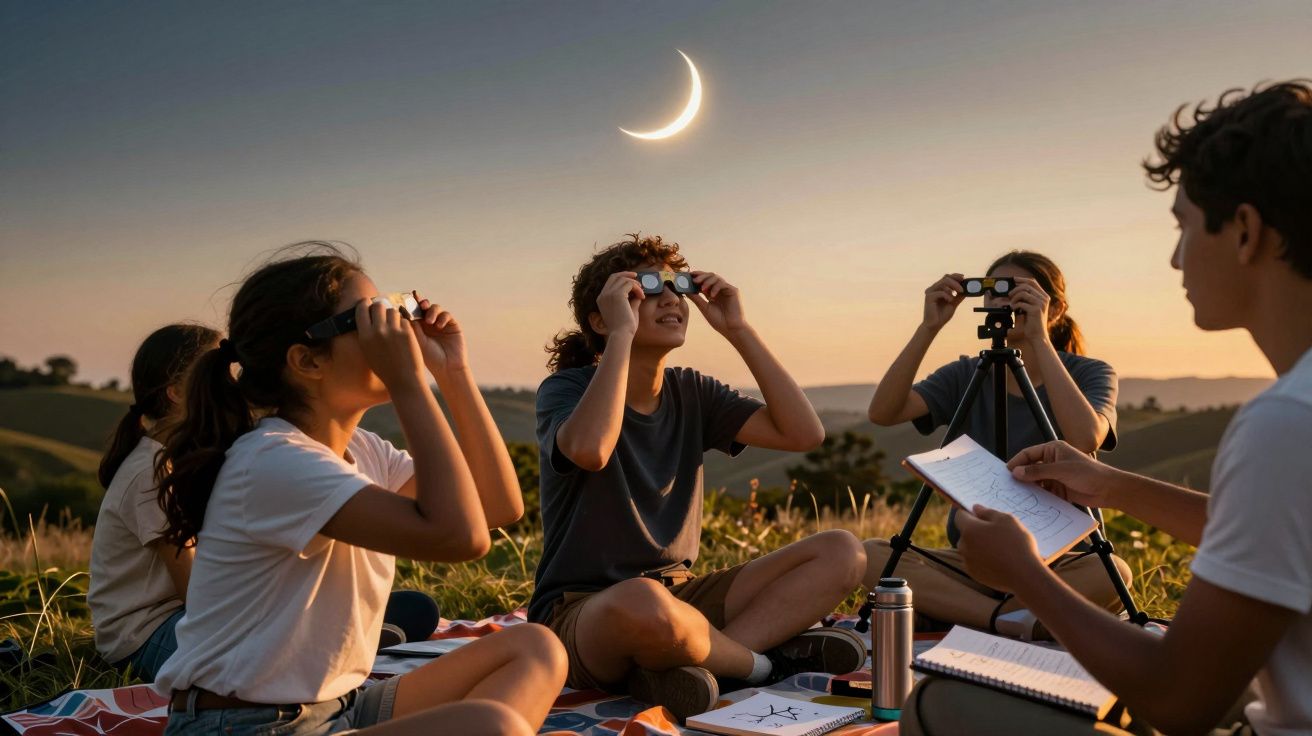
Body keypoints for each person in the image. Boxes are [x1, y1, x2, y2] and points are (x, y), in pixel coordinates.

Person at [905, 80, 1312, 735]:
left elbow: (1179, 703)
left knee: (937, 703)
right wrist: (1110, 485)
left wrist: (1026, 578)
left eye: (1183, 226)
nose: (1175, 257)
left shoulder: (1287, 421)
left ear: (1244, 232)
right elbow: (1278, 531)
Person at [153, 243, 566, 736]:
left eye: (390, 312)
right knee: (491, 724)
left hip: (337, 708)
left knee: (534, 647)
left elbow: (497, 505)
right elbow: (461, 538)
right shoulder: (273, 460)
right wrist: (410, 382)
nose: (394, 331)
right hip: (246, 725)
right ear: (307, 360)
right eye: (370, 318)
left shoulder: (362, 450)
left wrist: (451, 372)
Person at [530, 234, 868, 722]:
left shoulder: (692, 390)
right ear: (603, 317)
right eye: (648, 286)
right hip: (583, 612)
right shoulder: (566, 389)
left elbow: (803, 433)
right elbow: (590, 450)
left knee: (842, 550)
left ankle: (697, 666)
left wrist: (738, 329)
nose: (671, 298)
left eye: (679, 286)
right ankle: (759, 664)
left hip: (682, 595)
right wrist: (620, 337)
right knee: (643, 603)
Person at [862, 252, 1130, 638]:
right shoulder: (967, 372)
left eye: (1016, 291)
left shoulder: (1090, 372)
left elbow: (1086, 437)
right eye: (993, 292)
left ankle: (959, 614)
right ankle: (1008, 620)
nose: (1002, 302)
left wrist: (1039, 338)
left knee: (1114, 574)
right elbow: (884, 412)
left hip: (1058, 561)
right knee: (870, 556)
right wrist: (929, 327)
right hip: (974, 561)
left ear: (1055, 307)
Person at [89, 323, 219, 680]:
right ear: (177, 392)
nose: (232, 382)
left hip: (173, 619)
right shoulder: (151, 472)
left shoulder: (177, 460)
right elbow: (195, 592)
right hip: (143, 636)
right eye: (218, 370)